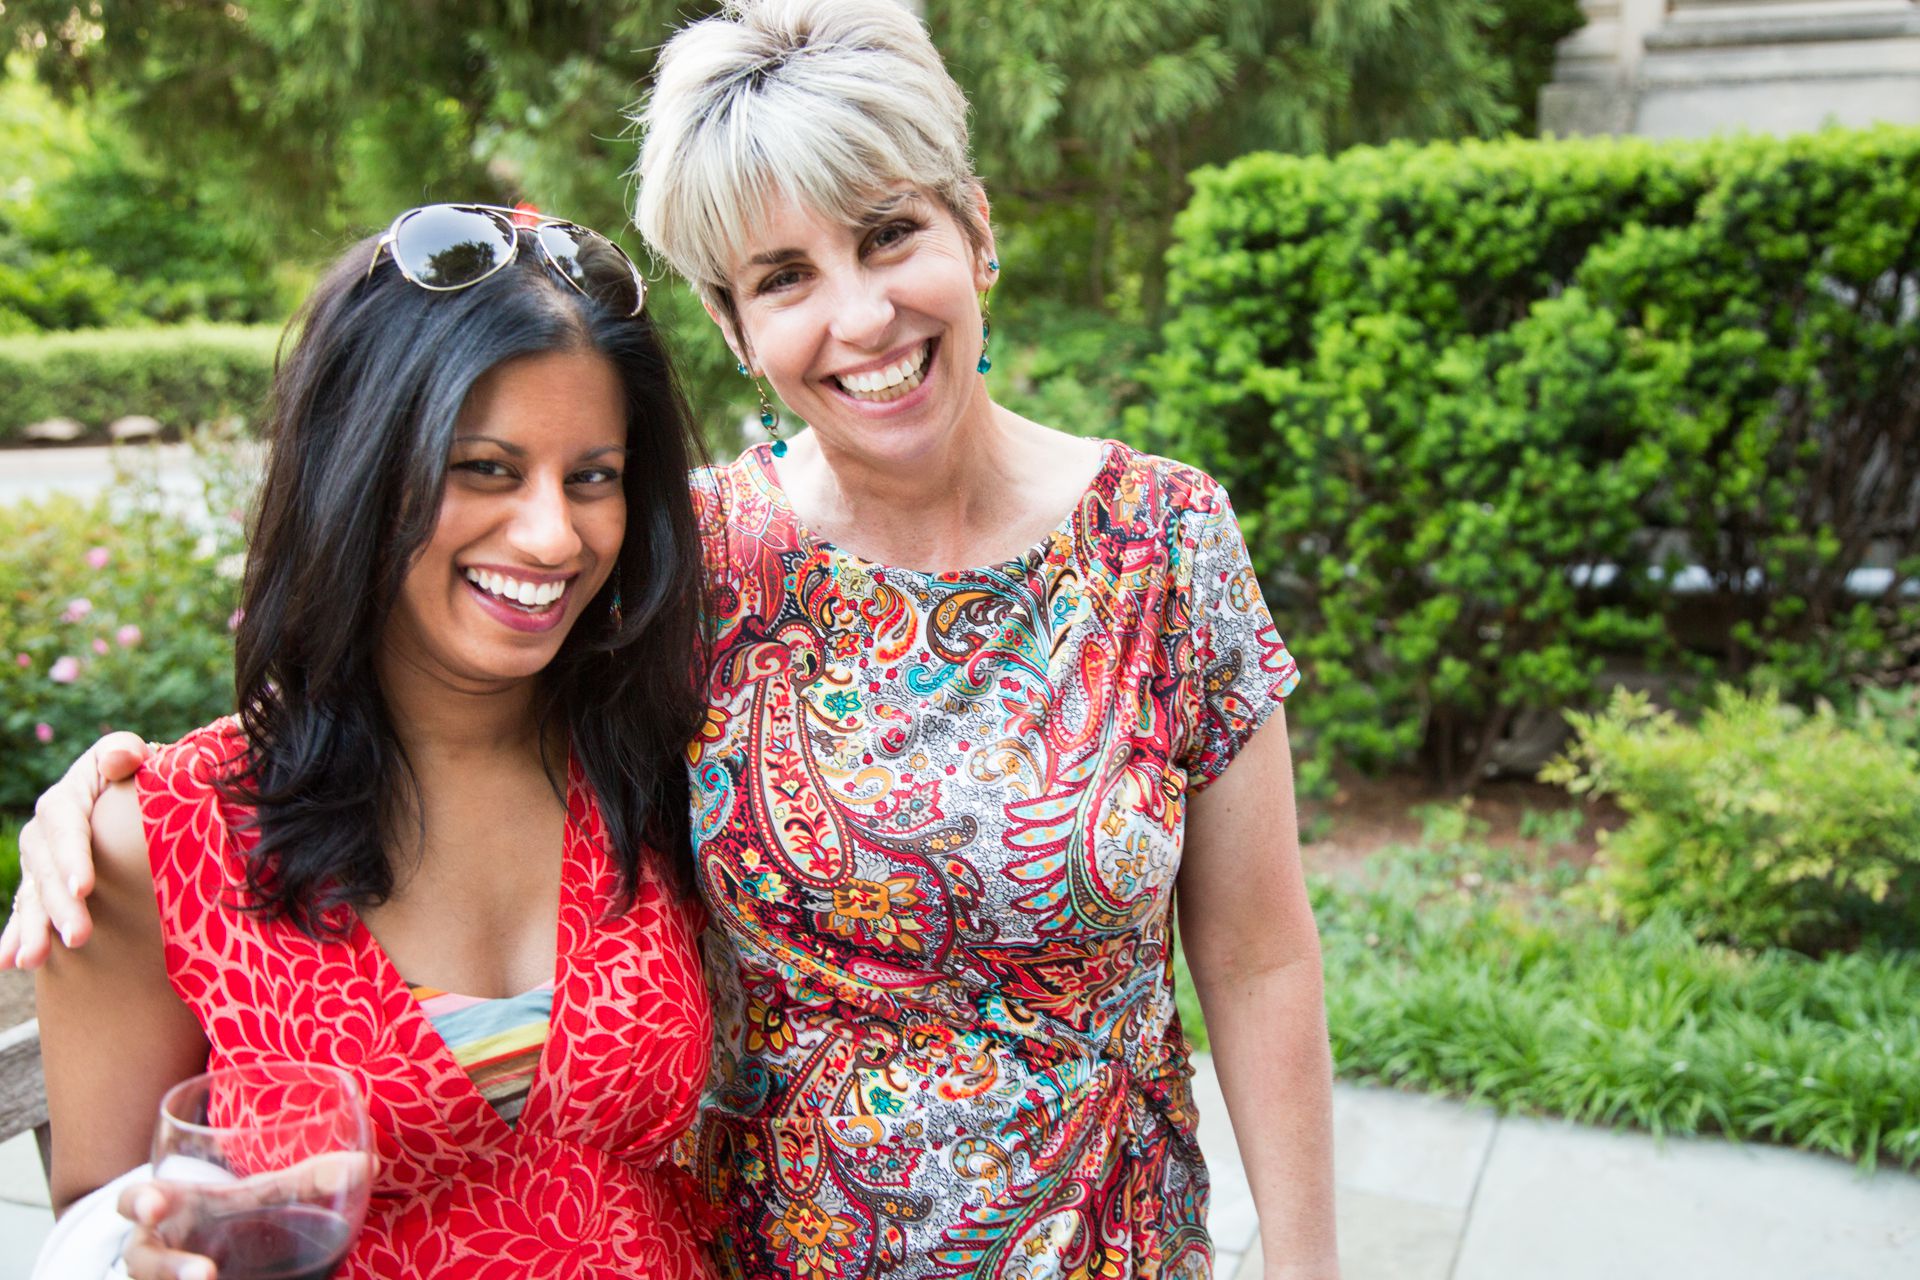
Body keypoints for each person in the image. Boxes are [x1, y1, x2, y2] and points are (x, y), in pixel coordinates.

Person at [7, 4, 1341, 1277]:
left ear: (975, 229)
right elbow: (416, 688)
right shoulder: (693, 566)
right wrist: (122, 792)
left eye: (888, 236)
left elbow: (1260, 952)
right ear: (734, 327)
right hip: (760, 1254)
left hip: (1102, 1243)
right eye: (784, 276)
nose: (861, 316)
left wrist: (1309, 1262)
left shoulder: (1164, 539)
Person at [25, 205, 718, 1279]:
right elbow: (100, 1217)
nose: (552, 533)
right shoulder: (146, 843)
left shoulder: (657, 757)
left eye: (593, 476)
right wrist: (143, 1254)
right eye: (484, 467)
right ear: (357, 465)